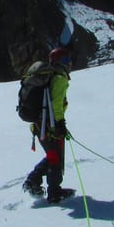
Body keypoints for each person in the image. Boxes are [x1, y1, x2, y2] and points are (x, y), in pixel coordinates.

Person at [23, 47, 75, 203]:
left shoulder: (49, 76)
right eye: (66, 60)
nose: (69, 64)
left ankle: (34, 181)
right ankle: (54, 192)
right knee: (55, 159)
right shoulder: (59, 78)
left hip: (39, 126)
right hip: (50, 126)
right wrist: (59, 123)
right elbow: (56, 103)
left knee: (52, 156)